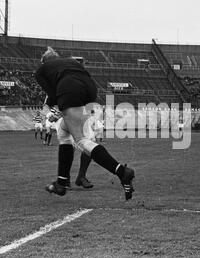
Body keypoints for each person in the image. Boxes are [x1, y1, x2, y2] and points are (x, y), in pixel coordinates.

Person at [35, 47, 135, 200]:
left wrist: (54, 114)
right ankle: (62, 181)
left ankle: (121, 171)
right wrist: (58, 113)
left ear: (44, 63)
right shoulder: (70, 63)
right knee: (63, 133)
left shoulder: (42, 70)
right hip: (89, 90)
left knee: (81, 140)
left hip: (69, 91)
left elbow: (54, 95)